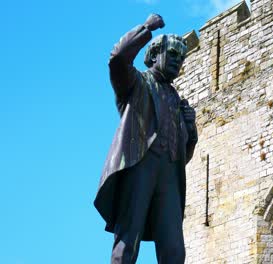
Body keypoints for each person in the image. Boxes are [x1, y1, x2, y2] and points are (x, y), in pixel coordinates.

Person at [93, 13, 198, 264]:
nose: (177, 62)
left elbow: (184, 153)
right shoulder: (136, 84)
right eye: (172, 54)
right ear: (154, 55)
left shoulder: (178, 101)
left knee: (175, 251)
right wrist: (146, 28)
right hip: (140, 164)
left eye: (181, 58)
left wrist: (191, 130)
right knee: (128, 238)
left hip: (170, 176)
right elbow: (117, 59)